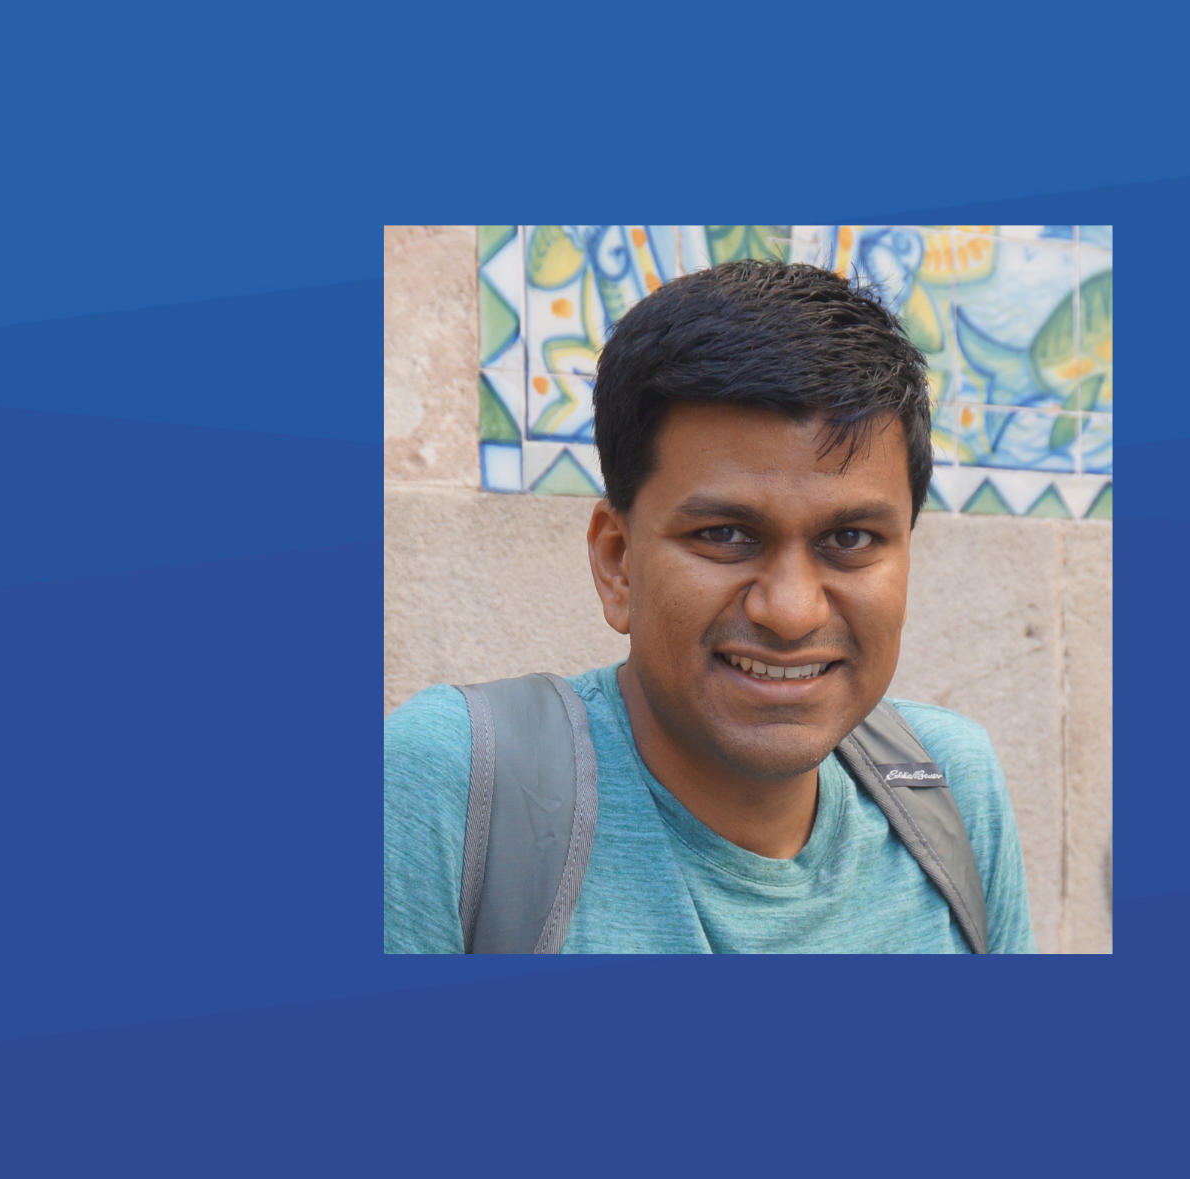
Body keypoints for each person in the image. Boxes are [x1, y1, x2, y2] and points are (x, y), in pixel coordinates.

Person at [384, 258, 1036, 953]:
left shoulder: (949, 784)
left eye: (850, 538)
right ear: (617, 562)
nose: (791, 612)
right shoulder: (454, 787)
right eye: (725, 535)